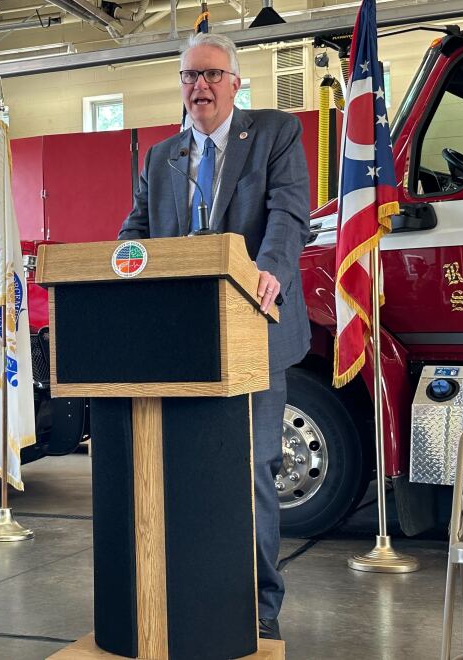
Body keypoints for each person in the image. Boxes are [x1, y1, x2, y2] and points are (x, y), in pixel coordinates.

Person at [118, 32, 311, 641]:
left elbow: (288, 213)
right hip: (184, 341)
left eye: (210, 75)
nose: (198, 87)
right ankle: (191, 599)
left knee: (250, 470)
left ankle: (261, 610)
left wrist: (270, 273)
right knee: (185, 473)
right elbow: (138, 229)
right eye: (188, 77)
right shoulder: (161, 156)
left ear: (234, 81)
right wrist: (112, 263)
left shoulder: (276, 133)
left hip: (255, 328)